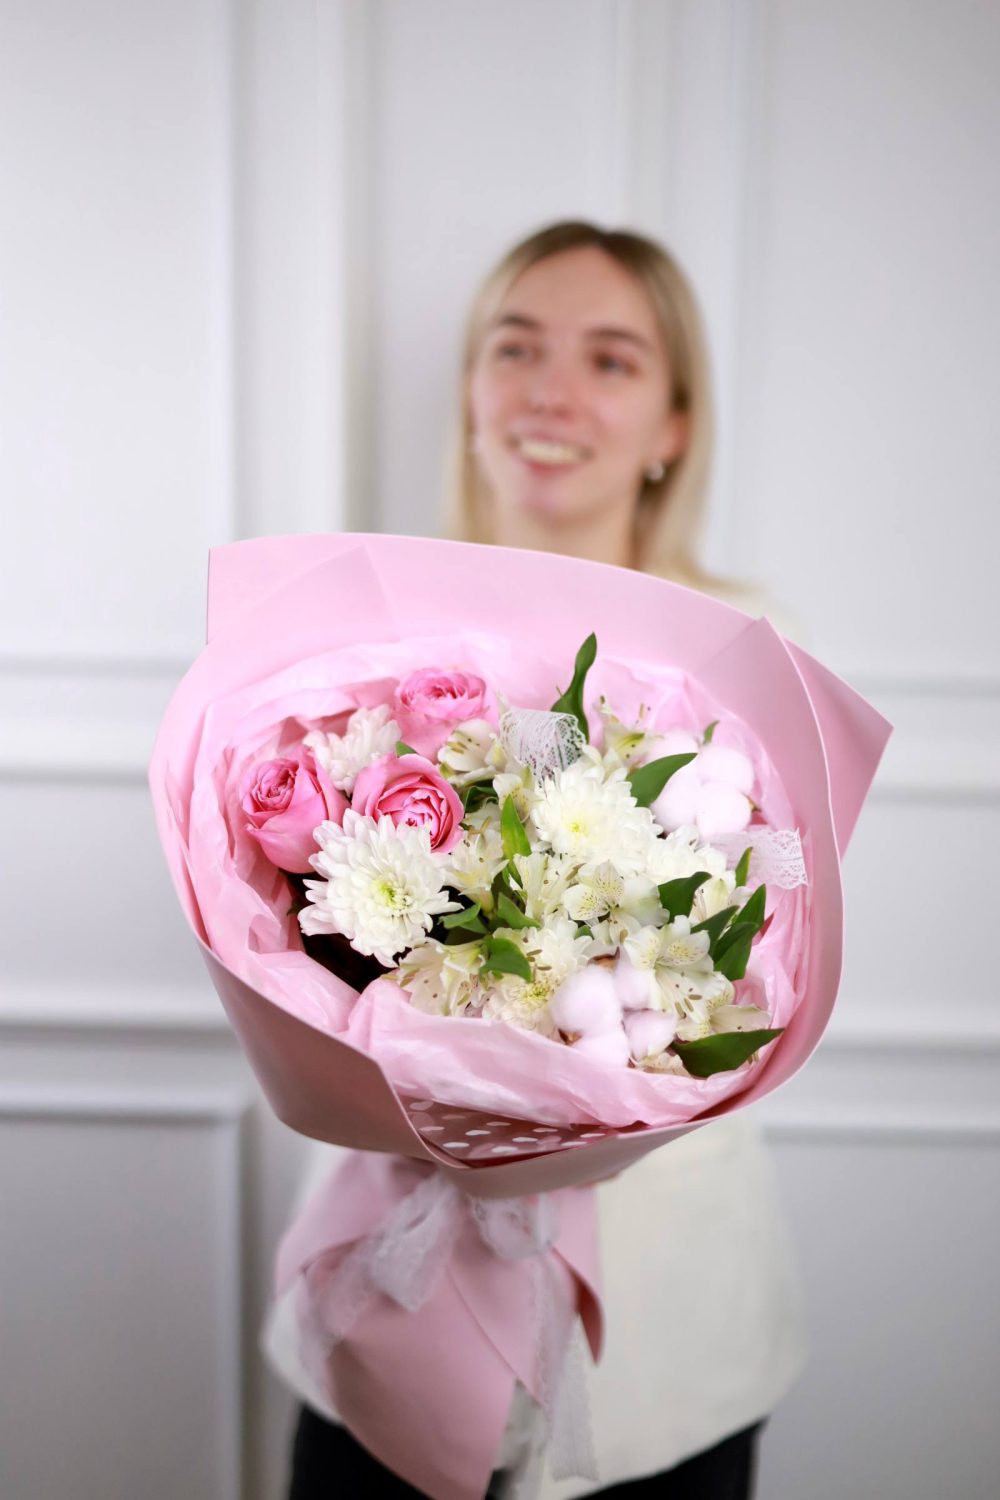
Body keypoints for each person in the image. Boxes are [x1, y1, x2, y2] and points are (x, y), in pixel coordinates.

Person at [267, 220, 806, 1499]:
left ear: (673, 421)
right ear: (469, 390)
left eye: (610, 360)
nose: (551, 391)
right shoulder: (358, 636)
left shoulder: (753, 654)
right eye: (516, 347)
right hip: (388, 1275)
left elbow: (760, 979)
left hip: (663, 1326)